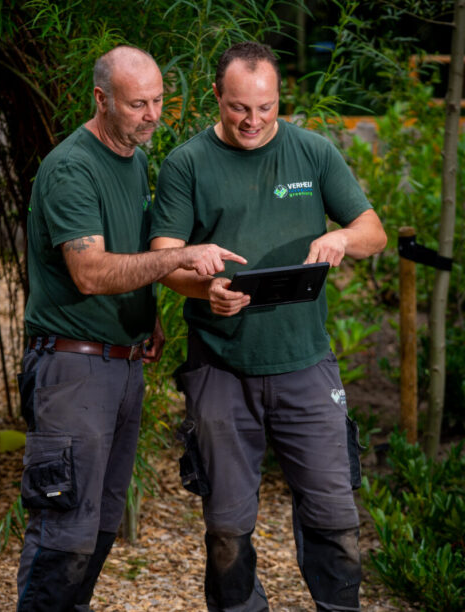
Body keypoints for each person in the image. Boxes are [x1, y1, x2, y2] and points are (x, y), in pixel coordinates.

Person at [150, 41, 387, 612]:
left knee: (336, 519)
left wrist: (342, 238)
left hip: (305, 363)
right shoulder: (187, 163)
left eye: (266, 107)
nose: (253, 121)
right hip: (221, 366)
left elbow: (373, 230)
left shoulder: (313, 152)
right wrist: (203, 287)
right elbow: (164, 256)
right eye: (238, 108)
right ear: (216, 97)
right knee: (228, 529)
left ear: (280, 99)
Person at [16, 45, 246, 612]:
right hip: (72, 368)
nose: (152, 114)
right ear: (101, 99)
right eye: (137, 103)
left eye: (159, 101)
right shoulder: (73, 167)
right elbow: (90, 272)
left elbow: (131, 255)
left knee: (97, 527)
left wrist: (149, 314)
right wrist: (180, 257)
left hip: (121, 363)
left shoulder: (135, 159)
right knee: (64, 530)